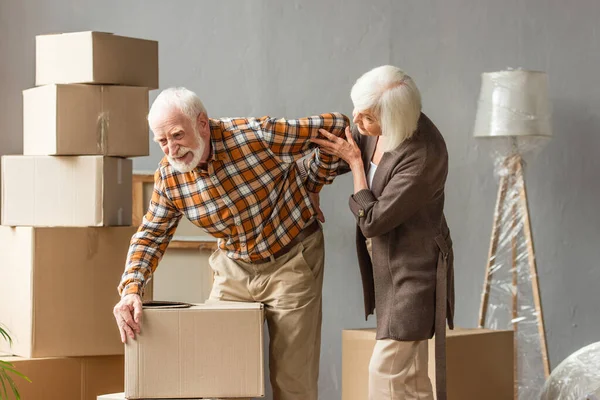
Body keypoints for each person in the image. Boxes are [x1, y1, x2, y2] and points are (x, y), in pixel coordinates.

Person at [113, 86, 349, 400]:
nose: (171, 149)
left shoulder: (256, 137)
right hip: (234, 265)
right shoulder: (169, 178)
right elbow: (151, 235)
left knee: (293, 381)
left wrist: (312, 182)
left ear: (201, 123)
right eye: (162, 141)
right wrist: (131, 288)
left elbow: (336, 125)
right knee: (218, 376)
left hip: (292, 258)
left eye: (177, 135)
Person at [309, 65, 454, 400]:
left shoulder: (422, 158)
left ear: (392, 118)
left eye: (366, 118)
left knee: (385, 373)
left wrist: (357, 165)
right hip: (388, 265)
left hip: (414, 271)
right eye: (357, 112)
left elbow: (372, 220)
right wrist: (312, 182)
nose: (358, 123)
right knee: (412, 380)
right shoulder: (375, 121)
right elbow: (341, 147)